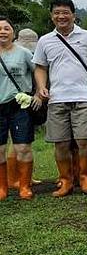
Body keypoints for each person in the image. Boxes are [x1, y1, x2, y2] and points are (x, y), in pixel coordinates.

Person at [33, 0, 87, 197]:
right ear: (51, 16)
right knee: (61, 143)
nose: (61, 16)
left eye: (65, 12)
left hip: (84, 97)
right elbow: (40, 67)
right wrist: (41, 87)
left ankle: (86, 177)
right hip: (57, 98)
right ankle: (65, 181)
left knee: (84, 142)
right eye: (56, 13)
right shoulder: (45, 40)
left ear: (73, 14)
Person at [0, 17, 40, 200]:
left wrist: (39, 93)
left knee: (22, 146)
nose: (2, 32)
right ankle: (3, 187)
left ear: (13, 33)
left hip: (19, 105)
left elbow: (39, 71)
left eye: (6, 28)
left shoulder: (24, 53)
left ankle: (24, 186)